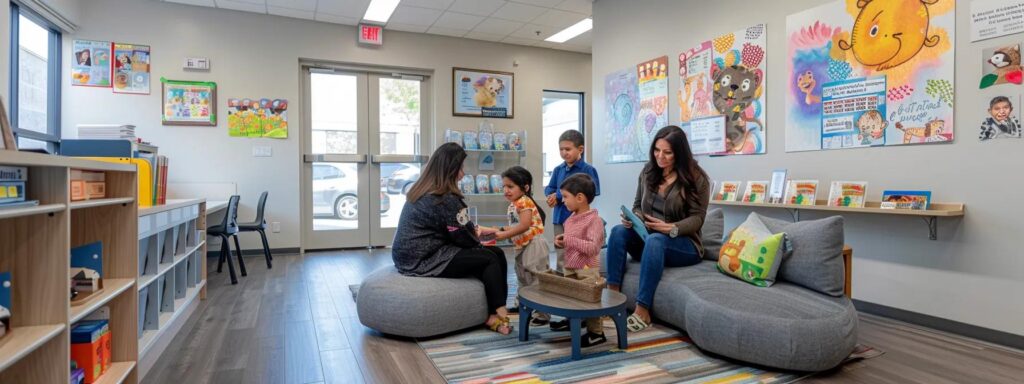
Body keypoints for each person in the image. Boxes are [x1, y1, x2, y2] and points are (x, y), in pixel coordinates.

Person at [392, 143, 512, 335]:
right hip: (425, 258)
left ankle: (495, 311)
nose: (463, 174)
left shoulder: (423, 189)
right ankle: (499, 314)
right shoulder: (444, 198)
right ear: (450, 169)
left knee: (495, 253)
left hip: (409, 254)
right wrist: (477, 238)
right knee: (491, 257)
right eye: (461, 168)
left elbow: (454, 227)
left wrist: (473, 233)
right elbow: (461, 236)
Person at [606, 125, 711, 332]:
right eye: (656, 150)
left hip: (683, 244)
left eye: (667, 152)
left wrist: (671, 228)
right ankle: (612, 298)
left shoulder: (696, 178)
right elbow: (637, 204)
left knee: (656, 241)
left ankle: (642, 309)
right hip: (649, 238)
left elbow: (698, 218)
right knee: (618, 231)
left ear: (679, 153)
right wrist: (633, 218)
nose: (659, 156)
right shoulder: (648, 171)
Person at [478, 166, 551, 326]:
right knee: (522, 277)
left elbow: (524, 225)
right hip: (522, 245)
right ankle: (524, 306)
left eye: (510, 186)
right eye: (504, 186)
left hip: (534, 244)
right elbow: (514, 226)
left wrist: (503, 235)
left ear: (525, 187)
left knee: (536, 278)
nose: (506, 190)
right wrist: (495, 230)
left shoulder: (524, 201)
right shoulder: (513, 204)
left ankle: (543, 314)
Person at [550, 173, 607, 347]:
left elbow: (592, 248)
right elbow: (572, 243)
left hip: (587, 268)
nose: (563, 201)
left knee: (590, 300)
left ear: (580, 198)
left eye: (566, 197)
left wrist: (568, 240)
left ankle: (596, 333)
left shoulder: (594, 221)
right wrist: (561, 242)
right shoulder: (570, 219)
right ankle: (572, 321)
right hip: (571, 265)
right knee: (572, 297)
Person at [544, 130, 600, 263]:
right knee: (561, 252)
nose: (564, 152)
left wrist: (558, 195)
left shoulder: (588, 170)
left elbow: (592, 191)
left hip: (579, 219)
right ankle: (561, 281)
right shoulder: (558, 169)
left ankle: (575, 281)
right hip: (559, 217)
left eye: (568, 149)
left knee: (577, 252)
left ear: (580, 149)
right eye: (561, 149)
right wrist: (550, 196)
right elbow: (550, 187)